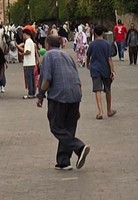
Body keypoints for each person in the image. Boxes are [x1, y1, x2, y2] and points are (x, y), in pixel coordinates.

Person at [35, 33, 89, 171]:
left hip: (59, 95)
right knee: (69, 127)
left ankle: (79, 147)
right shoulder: (68, 56)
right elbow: (75, 76)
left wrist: (40, 95)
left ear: (47, 45)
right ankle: (63, 161)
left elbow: (47, 78)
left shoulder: (48, 56)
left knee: (56, 126)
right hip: (75, 94)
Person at [87, 26, 115, 119]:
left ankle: (100, 111)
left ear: (94, 33)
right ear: (103, 33)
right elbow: (109, 59)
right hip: (105, 69)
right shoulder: (107, 44)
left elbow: (88, 56)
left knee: (97, 90)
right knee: (108, 90)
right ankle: (109, 110)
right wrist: (112, 70)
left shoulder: (92, 44)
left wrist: (88, 65)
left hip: (95, 69)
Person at [17, 25, 38, 97]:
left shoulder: (28, 42)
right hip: (31, 62)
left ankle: (30, 93)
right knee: (32, 78)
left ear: (26, 34)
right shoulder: (31, 41)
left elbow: (28, 52)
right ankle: (33, 92)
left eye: (23, 35)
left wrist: (21, 54)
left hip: (28, 63)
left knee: (29, 78)